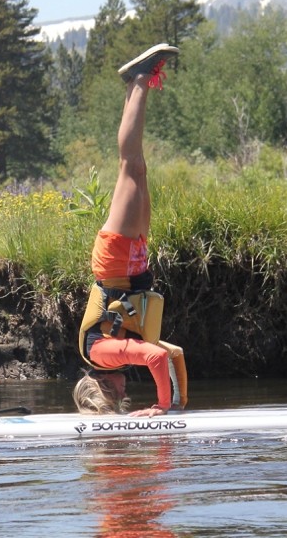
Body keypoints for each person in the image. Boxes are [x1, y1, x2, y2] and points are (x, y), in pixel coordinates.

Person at [74, 43, 188, 418]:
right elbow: (173, 354)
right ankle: (134, 83)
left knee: (129, 166)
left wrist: (161, 406)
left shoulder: (103, 354)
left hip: (116, 264)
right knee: (138, 168)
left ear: (105, 386)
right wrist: (178, 405)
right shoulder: (114, 358)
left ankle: (140, 78)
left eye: (119, 395)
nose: (126, 391)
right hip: (133, 265)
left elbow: (154, 357)